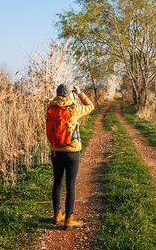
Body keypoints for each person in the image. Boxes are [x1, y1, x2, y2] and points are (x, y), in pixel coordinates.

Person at [47, 83, 94, 229]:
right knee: (71, 184)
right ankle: (68, 219)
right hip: (72, 151)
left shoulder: (51, 108)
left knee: (57, 183)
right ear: (69, 94)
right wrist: (79, 94)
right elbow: (90, 106)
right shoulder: (73, 108)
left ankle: (56, 215)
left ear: (57, 93)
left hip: (56, 151)